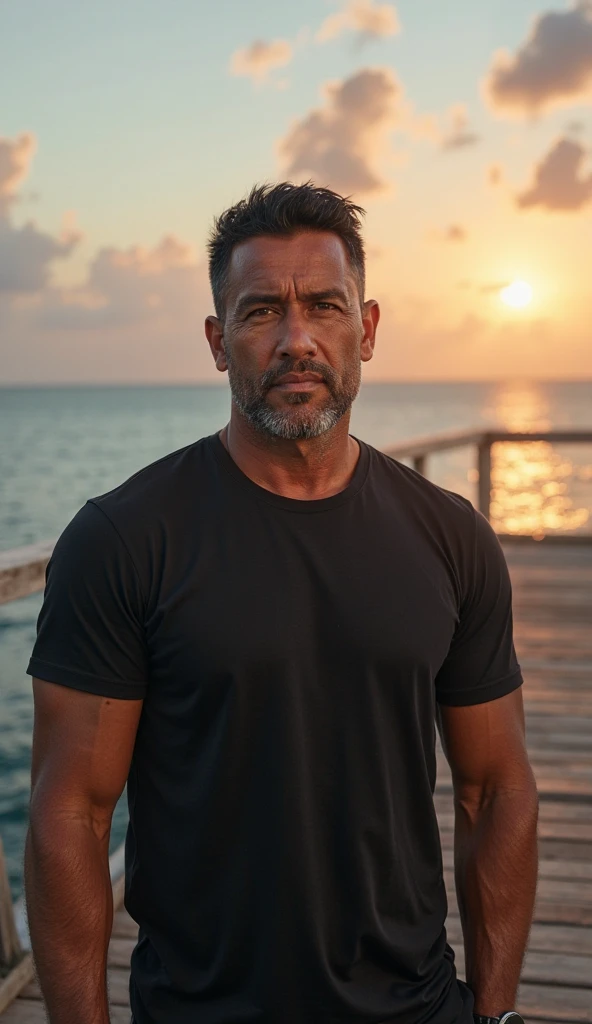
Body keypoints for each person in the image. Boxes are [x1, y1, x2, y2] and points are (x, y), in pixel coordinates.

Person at [25, 181, 538, 1024]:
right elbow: (71, 814)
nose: (297, 339)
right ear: (217, 341)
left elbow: (497, 788)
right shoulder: (124, 540)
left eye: (325, 306)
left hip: (414, 1005)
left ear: (366, 329)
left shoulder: (451, 539)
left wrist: (498, 1013)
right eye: (261, 311)